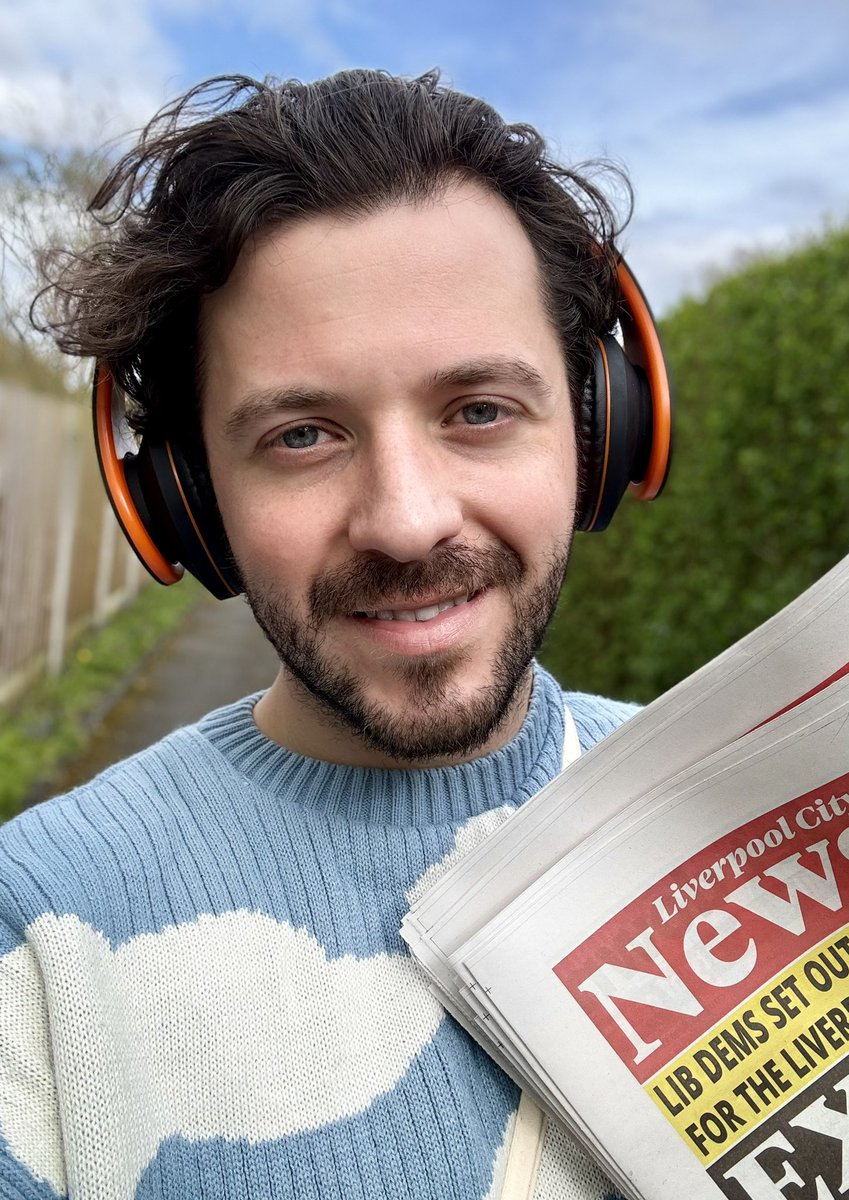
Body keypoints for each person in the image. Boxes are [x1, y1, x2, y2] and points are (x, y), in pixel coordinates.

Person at [1, 70, 668, 1199]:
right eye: (304, 434)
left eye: (480, 411)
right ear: (189, 499)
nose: (407, 521)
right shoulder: (36, 933)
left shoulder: (781, 828)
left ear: (601, 428)